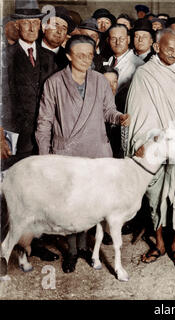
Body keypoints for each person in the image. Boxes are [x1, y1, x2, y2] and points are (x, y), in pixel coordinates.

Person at [35, 34, 130, 273]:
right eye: (80, 55)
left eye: (90, 54)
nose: (86, 59)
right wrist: (45, 158)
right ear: (68, 56)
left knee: (92, 203)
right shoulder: (54, 83)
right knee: (70, 204)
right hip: (67, 155)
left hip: (96, 153)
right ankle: (73, 251)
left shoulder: (99, 81)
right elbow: (44, 123)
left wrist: (119, 118)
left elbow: (108, 111)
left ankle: (88, 247)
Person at [125, 29, 175, 267]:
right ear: (157, 48)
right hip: (154, 143)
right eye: (169, 49)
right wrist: (146, 141)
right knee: (155, 196)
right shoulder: (145, 74)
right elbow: (138, 111)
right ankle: (158, 244)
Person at [1, 0, 59, 263]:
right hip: (14, 139)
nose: (32, 28)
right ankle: (7, 246)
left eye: (37, 23)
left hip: (42, 139)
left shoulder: (49, 58)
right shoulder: (7, 58)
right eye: (27, 23)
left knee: (41, 193)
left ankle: (34, 244)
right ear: (16, 24)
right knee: (12, 193)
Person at [104, 24, 144, 157]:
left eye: (121, 38)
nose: (117, 42)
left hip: (125, 121)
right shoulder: (108, 60)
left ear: (128, 39)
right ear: (108, 40)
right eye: (113, 38)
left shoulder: (139, 65)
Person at [40, 6, 75, 70]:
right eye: (55, 25)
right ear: (44, 28)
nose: (59, 31)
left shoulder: (68, 59)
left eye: (64, 28)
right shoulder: (30, 51)